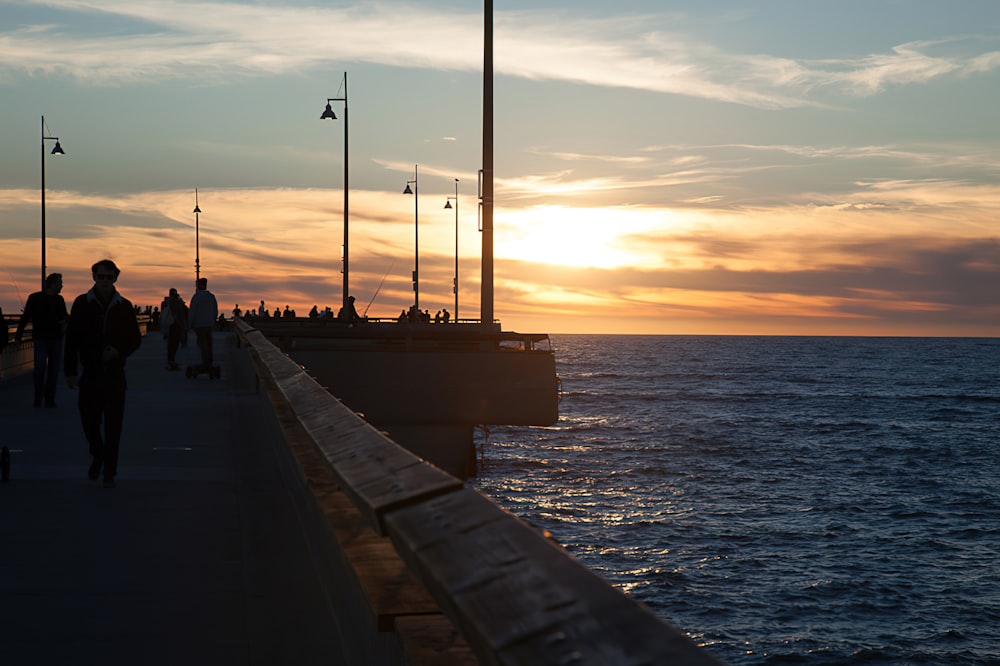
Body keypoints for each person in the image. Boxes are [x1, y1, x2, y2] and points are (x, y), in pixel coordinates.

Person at [64, 259, 142, 488]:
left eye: (109, 277)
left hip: (115, 373)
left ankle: (109, 469)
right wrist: (70, 371)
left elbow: (134, 339)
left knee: (113, 425)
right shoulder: (82, 303)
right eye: (101, 277)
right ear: (94, 277)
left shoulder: (124, 306)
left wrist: (118, 351)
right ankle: (98, 453)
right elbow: (72, 340)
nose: (105, 281)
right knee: (88, 421)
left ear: (116, 278)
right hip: (90, 372)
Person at [15, 273, 69, 407]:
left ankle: (49, 398)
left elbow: (64, 317)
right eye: (60, 282)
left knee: (53, 370)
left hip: (56, 339)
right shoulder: (35, 298)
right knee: (39, 368)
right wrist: (18, 335)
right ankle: (38, 397)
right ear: (53, 284)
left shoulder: (59, 299)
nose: (62, 285)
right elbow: (26, 317)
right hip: (41, 339)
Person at [189, 277, 218, 370]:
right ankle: (209, 362)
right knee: (209, 344)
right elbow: (215, 311)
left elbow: (192, 311)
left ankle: (205, 363)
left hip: (199, 325)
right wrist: (212, 321)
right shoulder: (211, 297)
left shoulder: (196, 297)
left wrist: (190, 324)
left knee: (203, 344)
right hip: (208, 324)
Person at [161, 288, 187, 370]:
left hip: (169, 325)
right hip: (175, 325)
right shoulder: (177, 302)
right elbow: (182, 314)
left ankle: (170, 361)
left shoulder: (166, 302)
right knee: (174, 344)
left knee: (170, 344)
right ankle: (171, 361)